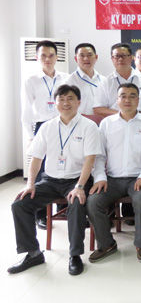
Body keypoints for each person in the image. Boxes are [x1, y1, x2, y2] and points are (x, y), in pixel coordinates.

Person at [9, 85, 102, 275]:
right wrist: (30, 184)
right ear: (56, 103)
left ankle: (75, 255)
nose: (66, 103)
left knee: (76, 203)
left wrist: (80, 186)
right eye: (61, 99)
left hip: (77, 179)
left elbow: (90, 160)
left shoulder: (89, 126)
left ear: (79, 102)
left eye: (70, 99)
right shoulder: (47, 127)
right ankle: (33, 253)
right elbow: (36, 158)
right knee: (20, 204)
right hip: (50, 180)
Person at [87, 83, 141, 263]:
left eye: (132, 96)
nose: (127, 100)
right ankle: (106, 244)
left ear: (138, 100)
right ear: (117, 100)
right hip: (112, 179)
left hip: (138, 178)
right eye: (123, 96)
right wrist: (100, 178)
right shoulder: (106, 124)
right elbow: (99, 156)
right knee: (93, 202)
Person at [21, 40, 69, 229]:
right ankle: (41, 214)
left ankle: (63, 209)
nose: (47, 59)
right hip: (42, 126)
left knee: (63, 165)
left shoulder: (65, 78)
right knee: (41, 171)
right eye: (43, 55)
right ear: (37, 57)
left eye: (51, 55)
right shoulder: (31, 80)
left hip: (63, 125)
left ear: (57, 57)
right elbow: (26, 111)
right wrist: (30, 137)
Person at [93, 43, 141, 119]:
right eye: (117, 56)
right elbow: (98, 109)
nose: (120, 59)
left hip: (140, 121)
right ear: (112, 59)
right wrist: (123, 114)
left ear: (131, 58)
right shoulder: (105, 82)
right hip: (114, 122)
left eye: (123, 56)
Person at [65, 43, 106, 116]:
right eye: (82, 55)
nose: (86, 59)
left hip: (102, 121)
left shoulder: (104, 80)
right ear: (76, 59)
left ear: (96, 57)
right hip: (80, 121)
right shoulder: (69, 82)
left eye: (89, 55)